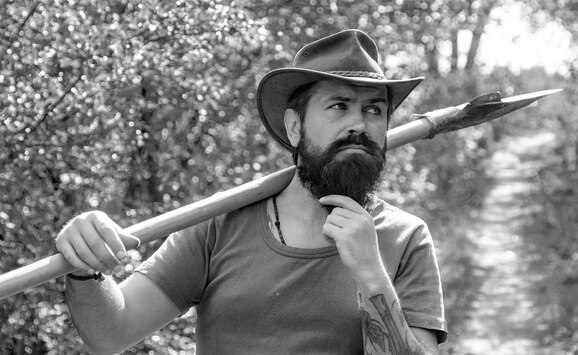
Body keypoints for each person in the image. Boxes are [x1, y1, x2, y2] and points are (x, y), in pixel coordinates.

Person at [56, 29, 448, 354]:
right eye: (339, 106)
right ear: (295, 127)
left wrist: (370, 274)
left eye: (374, 110)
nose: (359, 125)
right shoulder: (219, 223)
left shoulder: (405, 237)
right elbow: (111, 334)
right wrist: (85, 269)